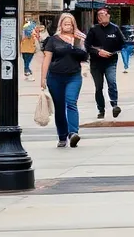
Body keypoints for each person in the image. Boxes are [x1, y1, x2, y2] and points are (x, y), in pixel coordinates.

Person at [39, 13, 88, 148]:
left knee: (71, 102)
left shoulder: (78, 38)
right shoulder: (52, 40)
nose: (68, 26)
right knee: (59, 107)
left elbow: (84, 56)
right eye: (65, 23)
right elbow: (46, 59)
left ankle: (73, 133)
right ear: (60, 25)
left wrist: (77, 44)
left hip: (73, 76)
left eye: (71, 24)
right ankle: (62, 136)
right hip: (55, 77)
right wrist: (43, 78)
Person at [85, 8, 124, 119]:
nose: (104, 16)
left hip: (110, 61)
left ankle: (114, 104)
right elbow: (87, 46)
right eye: (101, 15)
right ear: (98, 18)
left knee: (112, 81)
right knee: (99, 87)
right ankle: (101, 109)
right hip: (96, 63)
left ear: (109, 16)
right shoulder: (93, 30)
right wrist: (98, 52)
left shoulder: (115, 29)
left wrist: (113, 52)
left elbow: (122, 43)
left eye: (105, 14)